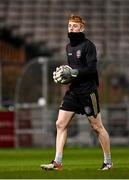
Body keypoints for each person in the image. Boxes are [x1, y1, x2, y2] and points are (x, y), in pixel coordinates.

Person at [41, 15, 112, 171]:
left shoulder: (88, 46)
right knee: (60, 124)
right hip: (74, 91)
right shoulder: (69, 47)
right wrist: (65, 77)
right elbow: (73, 73)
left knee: (97, 127)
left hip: (88, 91)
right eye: (69, 25)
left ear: (82, 28)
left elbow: (91, 69)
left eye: (74, 25)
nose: (71, 28)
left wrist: (73, 72)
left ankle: (108, 162)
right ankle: (57, 162)